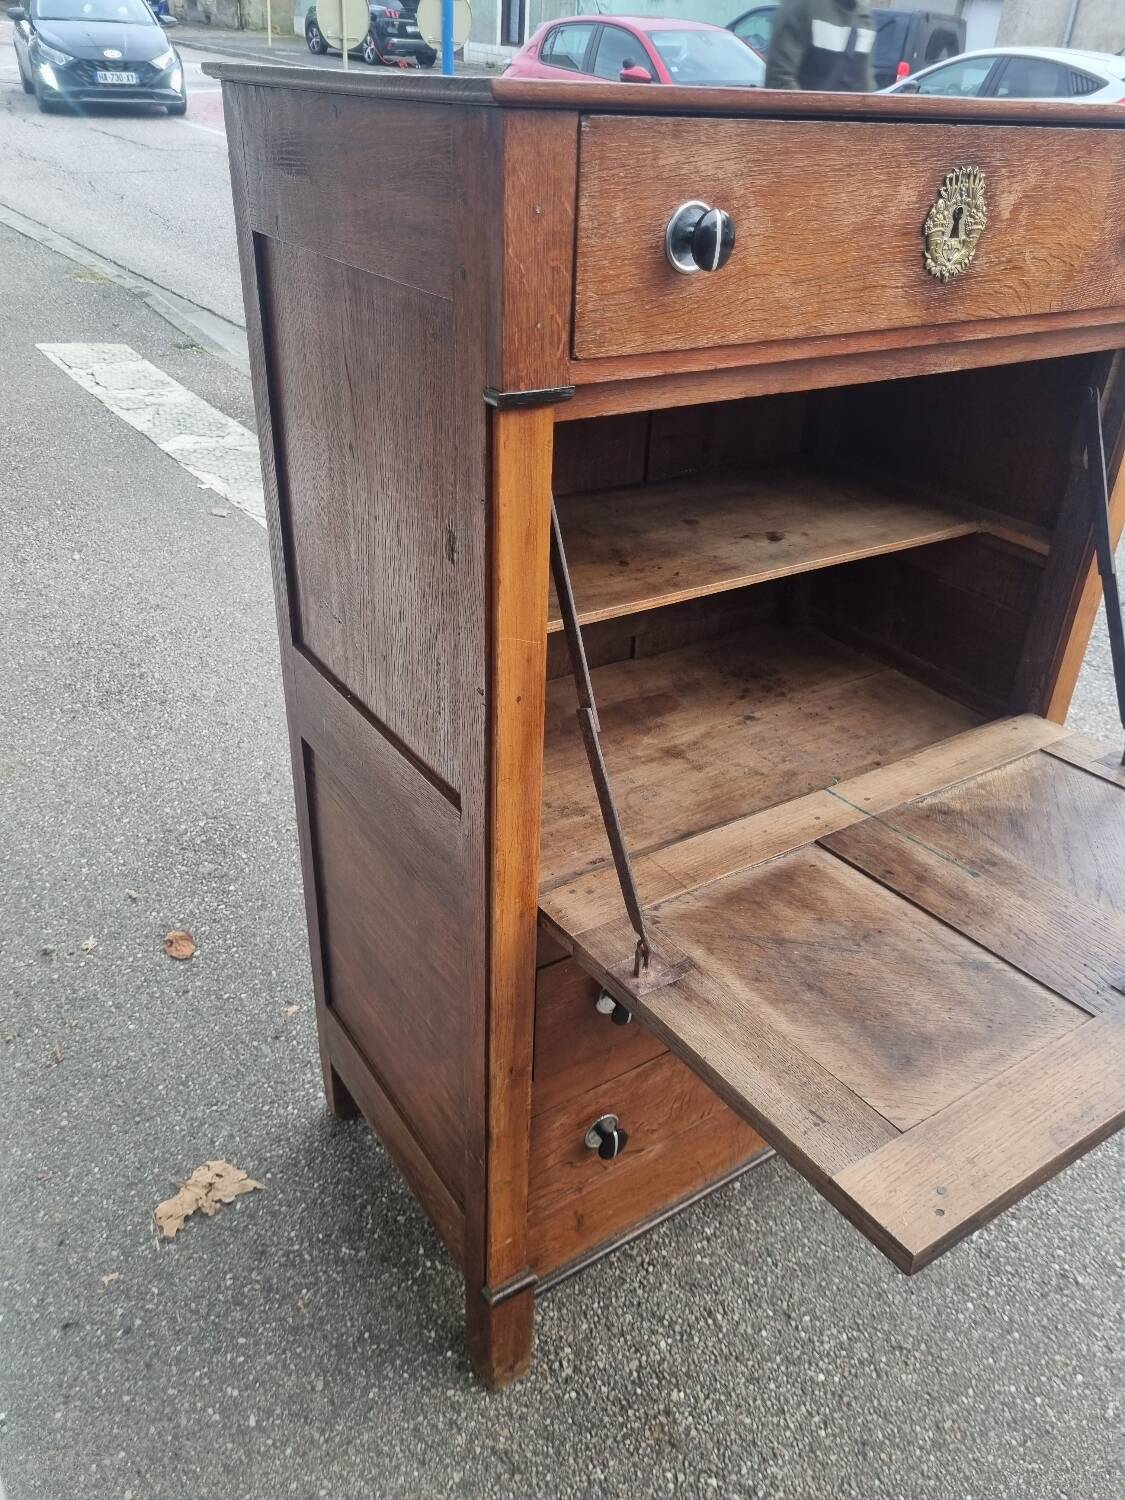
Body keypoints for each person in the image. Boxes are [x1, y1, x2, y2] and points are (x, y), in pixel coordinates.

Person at [764, 0, 877, 92]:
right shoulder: (802, 6)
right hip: (805, 117)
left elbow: (865, 87)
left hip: (847, 117)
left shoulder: (864, 17)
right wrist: (815, 118)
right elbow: (779, 80)